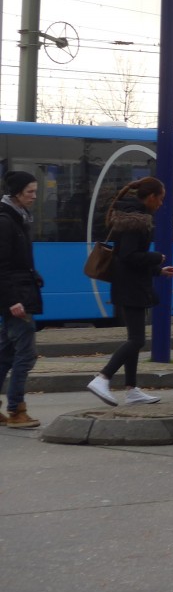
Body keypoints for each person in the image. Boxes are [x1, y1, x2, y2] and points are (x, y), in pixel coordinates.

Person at [87, 177, 173, 406]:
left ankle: (131, 389)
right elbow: (128, 256)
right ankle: (103, 377)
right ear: (151, 197)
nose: (161, 204)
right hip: (131, 288)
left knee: (134, 338)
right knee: (137, 340)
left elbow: (128, 257)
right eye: (161, 199)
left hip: (129, 284)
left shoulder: (131, 217)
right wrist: (156, 257)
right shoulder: (136, 221)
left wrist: (158, 270)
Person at [0, 170, 44, 428]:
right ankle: (17, 410)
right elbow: (2, 266)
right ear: (16, 193)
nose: (34, 197)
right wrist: (14, 299)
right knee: (26, 355)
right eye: (30, 192)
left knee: (5, 354)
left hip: (20, 292)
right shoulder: (6, 221)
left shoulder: (18, 218)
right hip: (17, 299)